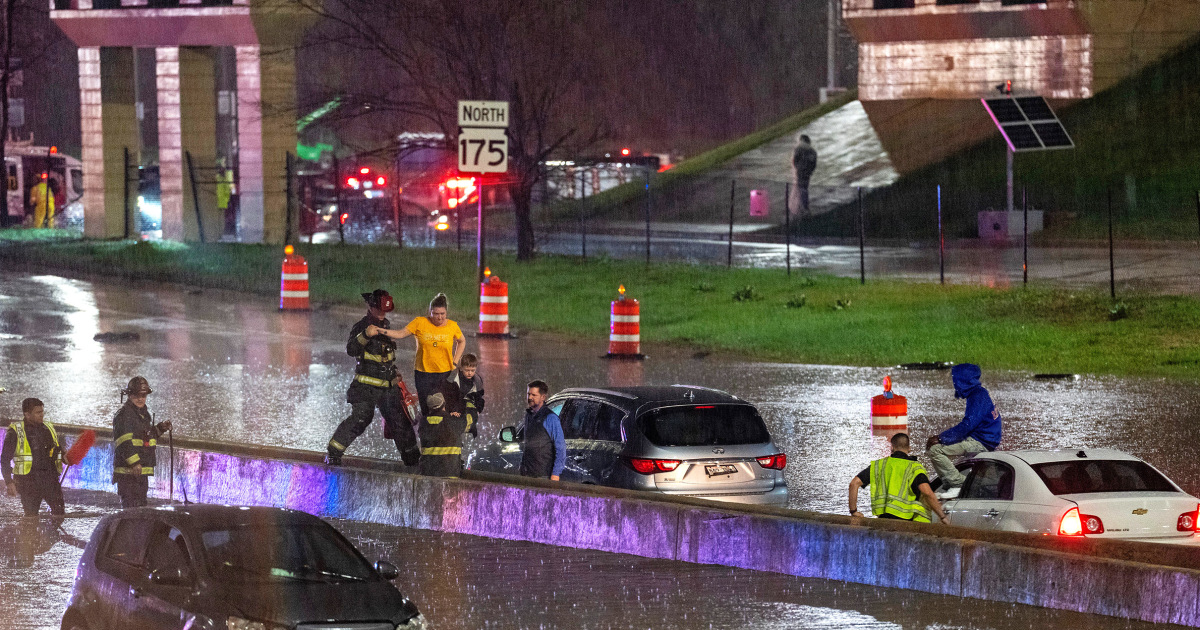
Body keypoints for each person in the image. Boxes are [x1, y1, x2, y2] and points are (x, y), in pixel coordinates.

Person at [326, 289, 421, 467]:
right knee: (361, 417)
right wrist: (365, 335)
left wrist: (394, 373)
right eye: (379, 309)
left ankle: (413, 462)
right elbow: (351, 349)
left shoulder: (386, 325)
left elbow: (385, 356)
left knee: (400, 423)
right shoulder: (362, 326)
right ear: (370, 307)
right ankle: (333, 453)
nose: (382, 313)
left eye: (384, 310)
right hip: (366, 386)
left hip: (388, 387)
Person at [371, 293, 465, 413]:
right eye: (436, 314)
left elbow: (462, 341)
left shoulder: (452, 326)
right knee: (426, 408)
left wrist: (455, 362)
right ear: (430, 312)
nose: (440, 317)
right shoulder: (420, 322)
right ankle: (425, 425)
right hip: (423, 374)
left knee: (443, 409)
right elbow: (400, 334)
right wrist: (379, 330)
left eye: (443, 314)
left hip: (444, 374)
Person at [925, 363, 1002, 489]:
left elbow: (967, 425)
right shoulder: (981, 393)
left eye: (955, 380)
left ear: (963, 380)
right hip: (986, 440)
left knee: (934, 450)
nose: (954, 384)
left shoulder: (977, 397)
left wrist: (941, 438)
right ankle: (951, 483)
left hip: (980, 442)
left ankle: (958, 484)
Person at [849, 432, 949, 524]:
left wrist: (854, 511)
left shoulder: (878, 465)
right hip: (908, 522)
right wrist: (942, 517)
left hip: (883, 521)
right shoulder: (914, 468)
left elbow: (854, 484)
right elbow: (927, 493)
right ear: (909, 448)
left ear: (892, 447)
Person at [1, 398, 66, 522]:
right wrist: (9, 482)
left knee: (59, 514)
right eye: (38, 412)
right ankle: (30, 533)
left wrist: (65, 457)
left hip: (50, 480)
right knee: (31, 518)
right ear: (27, 414)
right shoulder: (15, 432)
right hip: (28, 483)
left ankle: (54, 532)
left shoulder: (48, 427)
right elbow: (4, 459)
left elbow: (56, 448)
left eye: (42, 411)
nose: (42, 415)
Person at [112, 376, 171, 508]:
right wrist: (134, 463)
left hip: (140, 472)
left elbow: (146, 438)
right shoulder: (124, 415)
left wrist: (161, 428)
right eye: (136, 396)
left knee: (140, 508)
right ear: (129, 395)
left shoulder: (143, 415)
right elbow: (124, 442)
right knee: (130, 510)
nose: (140, 399)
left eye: (143, 396)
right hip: (128, 473)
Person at [519, 380, 565, 481]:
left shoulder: (551, 418)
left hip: (543, 475)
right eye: (528, 394)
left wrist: (556, 474)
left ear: (543, 397)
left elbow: (560, 448)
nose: (530, 397)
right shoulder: (529, 416)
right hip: (527, 474)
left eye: (534, 395)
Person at [417, 393, 468, 477]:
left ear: (429, 407)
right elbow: (466, 422)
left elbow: (437, 428)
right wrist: (455, 416)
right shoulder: (452, 422)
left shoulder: (423, 423)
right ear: (444, 404)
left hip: (428, 473)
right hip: (449, 473)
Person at [441, 352, 485, 437]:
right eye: (467, 370)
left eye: (472, 370)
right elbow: (448, 397)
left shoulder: (477, 381)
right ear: (461, 368)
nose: (470, 373)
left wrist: (478, 410)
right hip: (453, 405)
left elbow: (479, 397)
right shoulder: (452, 379)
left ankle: (468, 428)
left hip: (467, 406)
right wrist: (451, 411)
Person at [791, 134, 818, 215]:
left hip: (801, 171)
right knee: (805, 188)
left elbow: (795, 160)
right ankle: (803, 206)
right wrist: (810, 171)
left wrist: (797, 168)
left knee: (801, 188)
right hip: (808, 172)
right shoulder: (813, 151)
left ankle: (803, 207)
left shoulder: (799, 148)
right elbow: (814, 163)